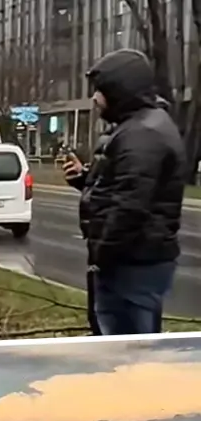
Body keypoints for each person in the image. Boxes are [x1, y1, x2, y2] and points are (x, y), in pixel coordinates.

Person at [63, 48, 182, 335]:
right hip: (132, 259)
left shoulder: (142, 134)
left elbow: (130, 205)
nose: (94, 98)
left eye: (100, 91)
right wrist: (85, 180)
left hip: (132, 264)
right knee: (121, 342)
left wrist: (102, 256)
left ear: (119, 91)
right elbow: (120, 184)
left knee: (128, 351)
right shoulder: (135, 127)